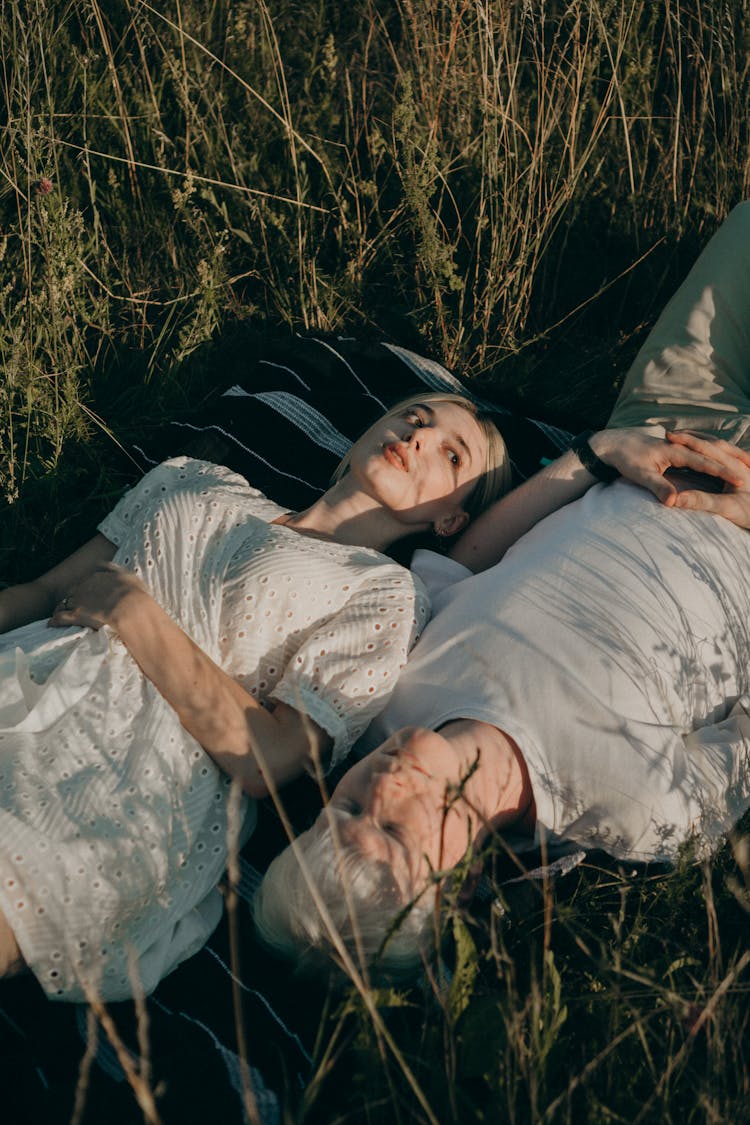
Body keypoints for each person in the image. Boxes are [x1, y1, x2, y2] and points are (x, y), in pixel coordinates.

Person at [255, 201, 750, 980]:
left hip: (667, 423)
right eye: (392, 833)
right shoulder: (635, 809)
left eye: (346, 808)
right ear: (459, 885)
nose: (377, 785)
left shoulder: (387, 694)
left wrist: (596, 455)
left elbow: (471, 560)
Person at [0, 391, 516, 1001]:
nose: (418, 435)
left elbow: (269, 760)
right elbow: (47, 589)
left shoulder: (386, 596)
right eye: (415, 416)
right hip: (28, 671)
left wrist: (136, 613)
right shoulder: (194, 478)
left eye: (452, 455)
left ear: (450, 519)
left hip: (131, 768)